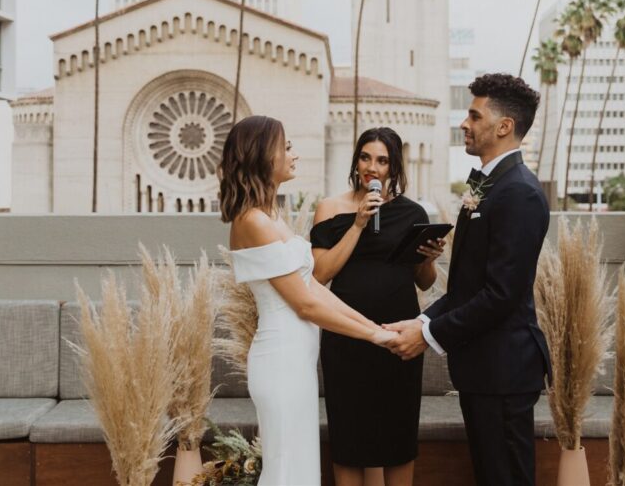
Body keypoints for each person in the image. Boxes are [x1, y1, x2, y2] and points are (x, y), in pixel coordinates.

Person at [384, 73, 552, 486]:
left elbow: (501, 296)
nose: (465, 123)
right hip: (485, 369)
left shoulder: (520, 193)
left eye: (474, 116)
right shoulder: (488, 185)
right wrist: (422, 322)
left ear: (504, 126)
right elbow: (467, 288)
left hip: (505, 370)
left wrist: (427, 336)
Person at [220, 115, 397, 486]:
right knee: (286, 472)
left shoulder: (271, 216)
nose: (294, 155)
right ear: (262, 155)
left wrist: (373, 327)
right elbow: (305, 305)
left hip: (297, 362)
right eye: (286, 147)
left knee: (300, 470)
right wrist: (374, 337)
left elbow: (316, 289)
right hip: (279, 363)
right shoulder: (253, 221)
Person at [310, 127, 445, 486]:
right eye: (366, 157)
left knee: (397, 438)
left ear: (393, 166)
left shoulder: (412, 212)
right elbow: (320, 274)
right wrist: (358, 224)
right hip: (347, 337)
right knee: (350, 439)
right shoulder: (330, 208)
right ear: (356, 160)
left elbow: (424, 281)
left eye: (382, 160)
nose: (372, 167)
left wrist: (429, 259)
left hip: (400, 337)